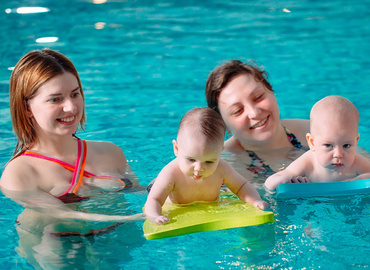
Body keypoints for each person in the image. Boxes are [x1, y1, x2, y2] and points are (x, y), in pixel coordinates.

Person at [1, 49, 144, 268]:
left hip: (116, 243)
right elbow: (63, 214)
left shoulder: (111, 152)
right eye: (55, 99)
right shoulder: (19, 173)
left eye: (75, 94)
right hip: (60, 248)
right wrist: (136, 218)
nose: (71, 107)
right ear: (27, 108)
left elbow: (140, 192)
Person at [145, 107, 269, 225]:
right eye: (191, 159)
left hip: (204, 205)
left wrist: (255, 200)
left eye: (209, 162)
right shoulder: (171, 173)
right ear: (176, 148)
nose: (199, 168)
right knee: (155, 189)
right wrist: (155, 216)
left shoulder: (222, 168)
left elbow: (241, 186)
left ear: (220, 152)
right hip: (168, 198)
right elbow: (154, 200)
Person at [205, 60, 310, 180]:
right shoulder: (221, 169)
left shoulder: (316, 132)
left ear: (271, 91)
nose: (254, 113)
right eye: (238, 111)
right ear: (223, 124)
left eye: (258, 97)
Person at [264, 96, 370, 190]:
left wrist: (360, 179)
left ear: (356, 141)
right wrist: (288, 180)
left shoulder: (355, 162)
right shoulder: (308, 162)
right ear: (312, 143)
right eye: (328, 145)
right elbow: (269, 183)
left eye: (346, 145)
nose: (338, 154)